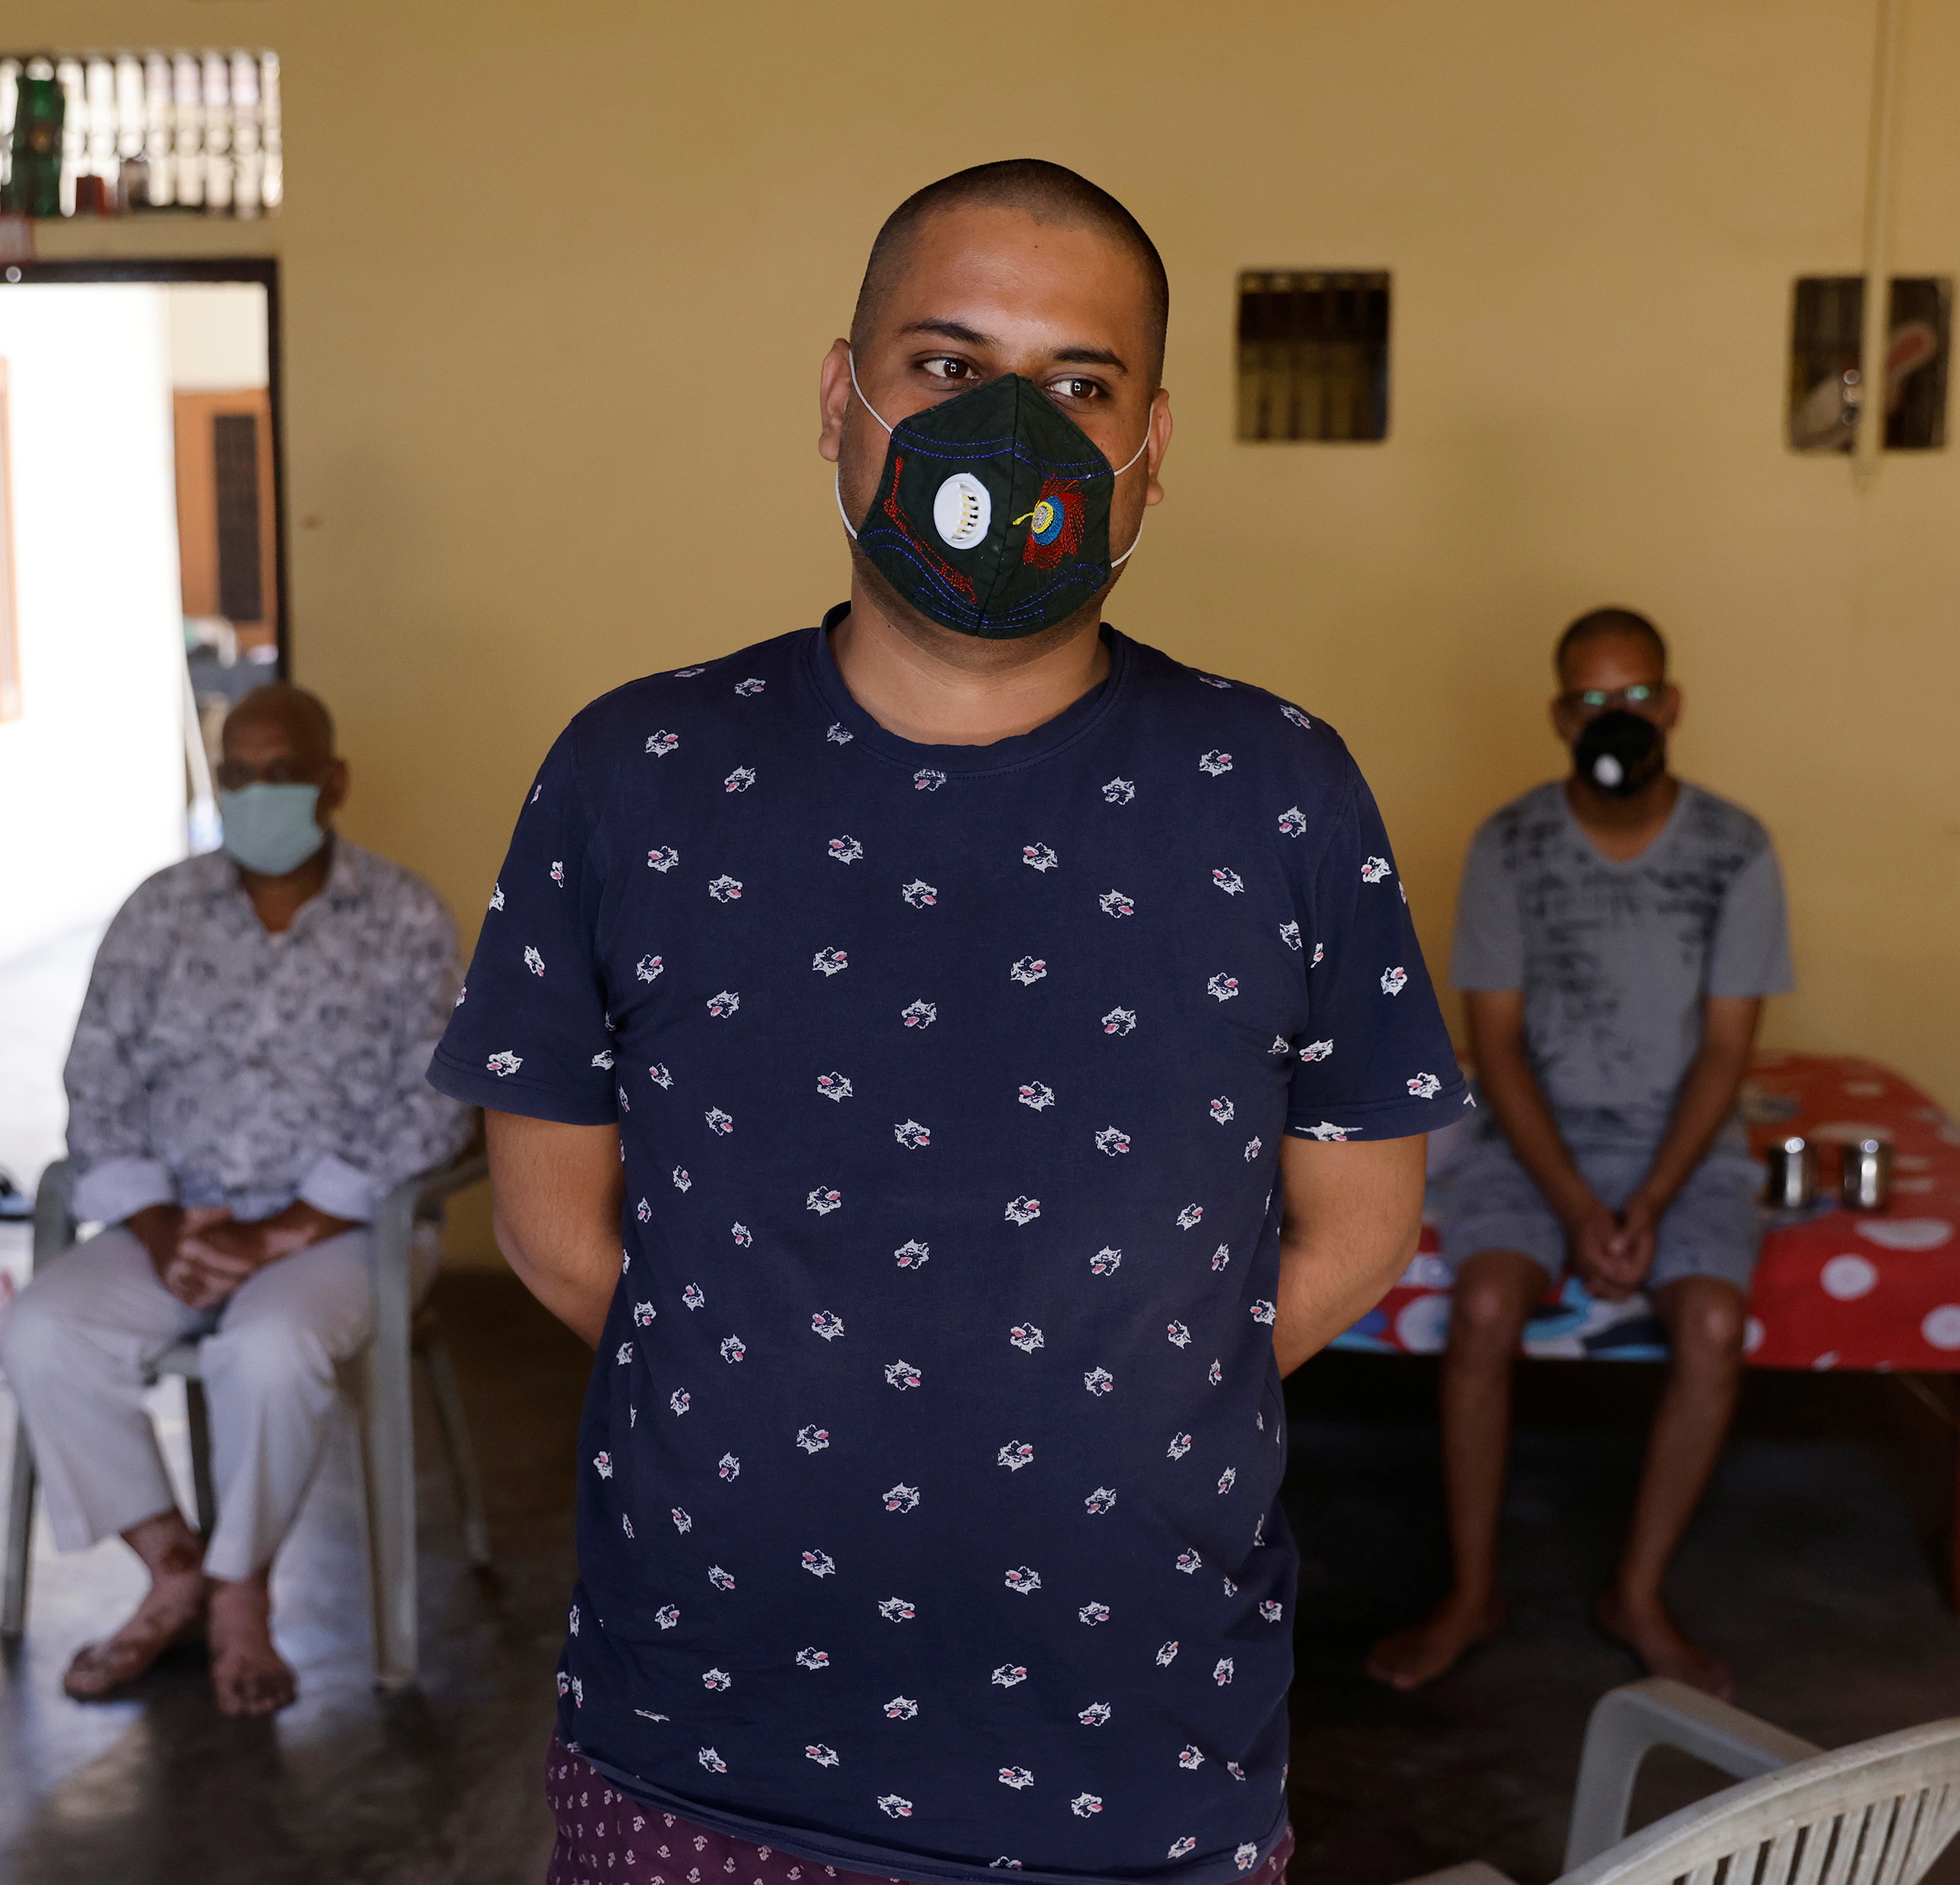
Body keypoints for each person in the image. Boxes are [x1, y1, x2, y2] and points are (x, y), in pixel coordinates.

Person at [433, 160, 1470, 1885]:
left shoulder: (1278, 785)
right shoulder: (636, 769)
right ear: (839, 398)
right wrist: (816, 1397)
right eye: (946, 366)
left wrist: (1100, 1398)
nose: (1016, 439)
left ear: (1152, 440)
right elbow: (554, 1237)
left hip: (1136, 1758)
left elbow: (1355, 1231)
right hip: (702, 1734)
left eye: (1078, 385)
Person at [0, 683, 471, 1716]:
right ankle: (174, 1567)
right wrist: (166, 1231)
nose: (258, 794)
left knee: (267, 1348)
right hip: (177, 1223)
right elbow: (97, 1081)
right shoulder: (157, 912)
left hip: (344, 1231)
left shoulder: (404, 916)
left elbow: (438, 1102)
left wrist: (281, 1232)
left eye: (282, 771)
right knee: (39, 1332)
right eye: (237, 774)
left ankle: (241, 1590)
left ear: (333, 780)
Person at [1363, 609, 1792, 1702]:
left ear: (1672, 704)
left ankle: (1636, 1593)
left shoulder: (1736, 850)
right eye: (1592, 701)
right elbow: (1494, 1046)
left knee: (1712, 1321)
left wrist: (1646, 1197)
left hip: (1681, 1147)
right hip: (1532, 1138)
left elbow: (1730, 1047)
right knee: (1485, 1310)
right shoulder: (1508, 846)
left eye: (1636, 695)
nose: (1618, 720)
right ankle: (1473, 1593)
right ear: (1561, 715)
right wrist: (1574, 1202)